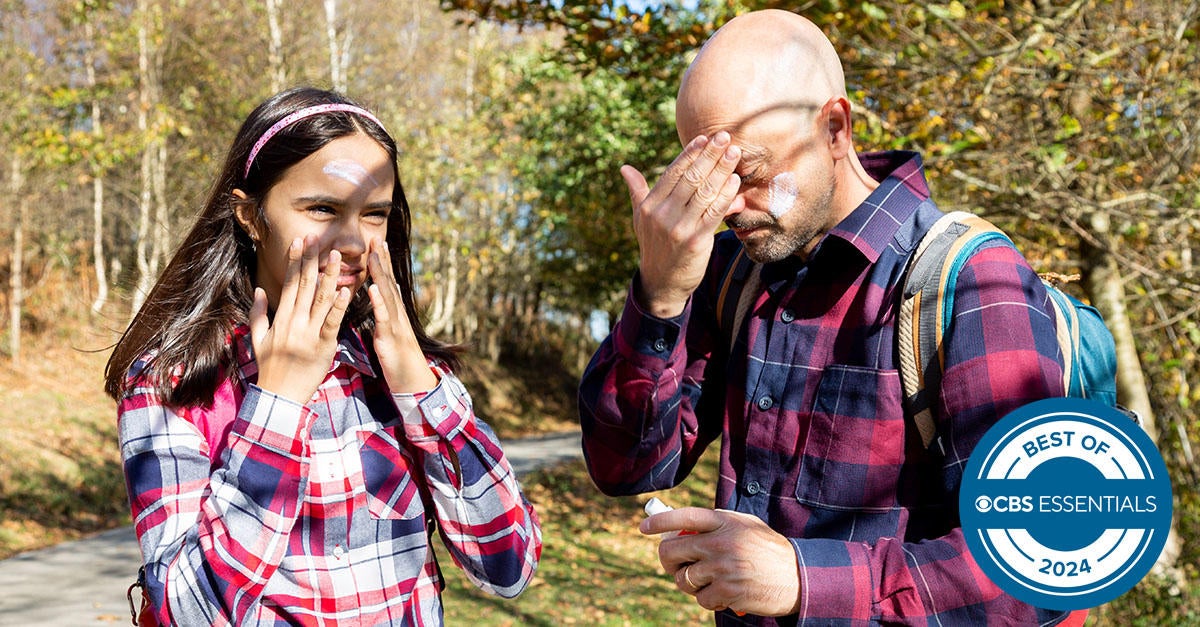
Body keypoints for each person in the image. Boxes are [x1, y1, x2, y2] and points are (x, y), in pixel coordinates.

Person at [578, 10, 1071, 625]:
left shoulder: (968, 281)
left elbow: (1036, 565)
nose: (725, 205)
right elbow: (626, 466)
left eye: (748, 172)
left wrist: (801, 579)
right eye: (704, 176)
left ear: (835, 128)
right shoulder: (732, 273)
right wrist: (660, 295)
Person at [105, 86, 541, 625]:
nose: (354, 240)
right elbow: (188, 612)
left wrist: (420, 390)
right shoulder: (174, 381)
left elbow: (509, 567)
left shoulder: (401, 370)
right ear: (250, 215)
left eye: (375, 214)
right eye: (322, 208)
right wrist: (277, 404)